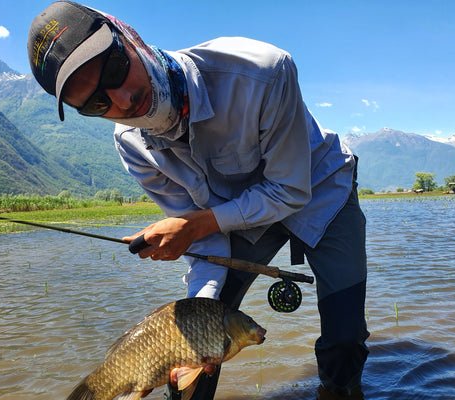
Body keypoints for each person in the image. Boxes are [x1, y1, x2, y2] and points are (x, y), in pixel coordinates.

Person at [28, 1, 369, 398]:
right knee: (189, 341)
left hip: (322, 189)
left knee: (345, 337)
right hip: (232, 218)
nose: (121, 101)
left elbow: (289, 191)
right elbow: (201, 238)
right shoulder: (132, 144)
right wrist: (199, 323)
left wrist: (196, 225)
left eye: (115, 69)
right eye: (96, 104)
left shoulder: (262, 71)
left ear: (130, 38)